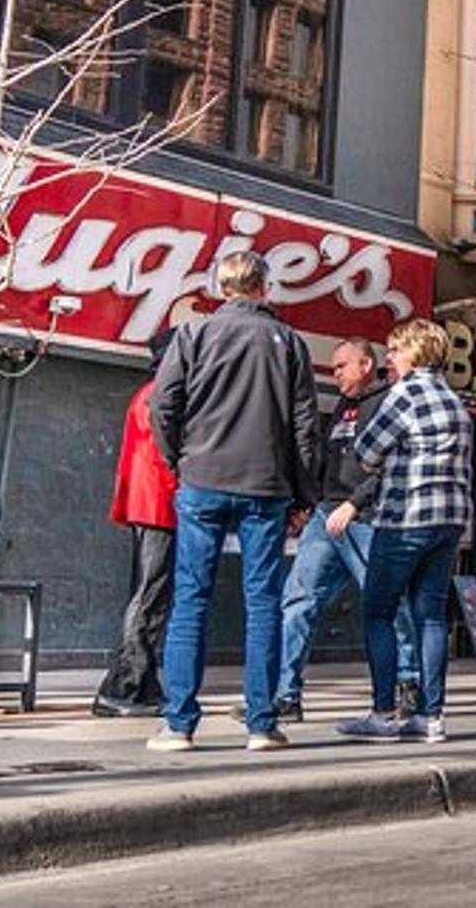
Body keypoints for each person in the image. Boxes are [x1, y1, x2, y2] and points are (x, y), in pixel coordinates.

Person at [148, 252, 320, 754]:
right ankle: (261, 724)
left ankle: (179, 724)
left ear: (221, 287)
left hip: (201, 479)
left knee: (190, 599)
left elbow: (163, 405)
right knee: (263, 601)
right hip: (266, 486)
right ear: (265, 287)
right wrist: (304, 493)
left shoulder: (193, 334)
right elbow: (305, 426)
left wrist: (179, 461)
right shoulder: (288, 342)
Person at [332, 319, 472, 744]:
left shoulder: (405, 394)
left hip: (405, 517)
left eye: (394, 350)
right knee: (431, 616)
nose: (389, 358)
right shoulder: (454, 400)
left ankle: (383, 713)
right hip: (449, 521)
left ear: (414, 351)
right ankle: (431, 716)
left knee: (379, 611)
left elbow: (365, 452)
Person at [275, 337, 420, 722]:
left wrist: (355, 502)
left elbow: (393, 464)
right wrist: (308, 503)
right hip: (326, 516)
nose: (335, 372)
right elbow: (326, 460)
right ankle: (285, 695)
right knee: (298, 599)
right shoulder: (342, 407)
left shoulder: (389, 401)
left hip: (368, 518)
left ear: (366, 365)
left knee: (389, 603)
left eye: (342, 365)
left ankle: (409, 683)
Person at [94, 331, 177, 718]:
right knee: (149, 595)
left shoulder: (149, 393)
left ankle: (141, 683)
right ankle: (125, 685)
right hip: (159, 504)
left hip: (149, 504)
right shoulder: (161, 395)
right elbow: (165, 455)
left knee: (149, 594)